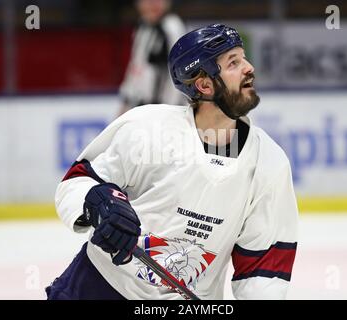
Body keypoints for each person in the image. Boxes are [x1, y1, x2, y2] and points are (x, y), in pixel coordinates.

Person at [47, 24, 299, 300]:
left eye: (244, 58)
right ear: (204, 84)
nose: (249, 67)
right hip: (97, 289)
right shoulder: (148, 127)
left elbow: (263, 268)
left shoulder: (269, 164)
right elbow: (78, 180)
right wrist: (99, 201)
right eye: (233, 62)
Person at [118, 0, 186, 115]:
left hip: (165, 107)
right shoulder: (143, 26)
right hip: (143, 104)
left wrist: (169, 109)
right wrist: (127, 100)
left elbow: (179, 71)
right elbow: (137, 66)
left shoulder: (171, 27)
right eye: (148, 1)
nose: (154, 5)